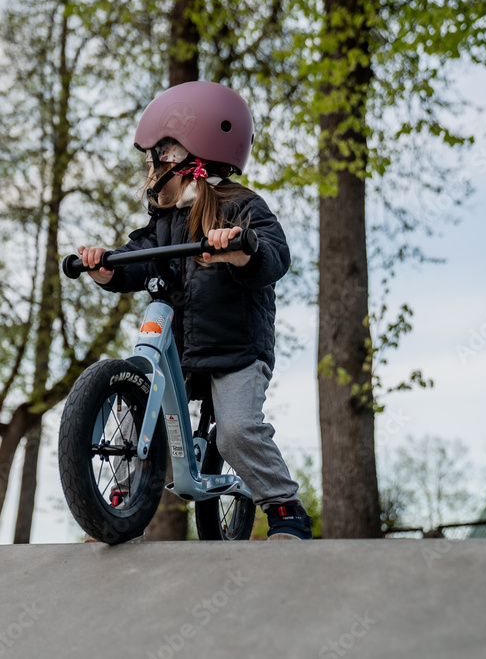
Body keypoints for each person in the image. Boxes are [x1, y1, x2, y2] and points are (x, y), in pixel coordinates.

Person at [77, 81, 312, 540]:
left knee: (237, 432)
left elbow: (275, 256)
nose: (151, 167)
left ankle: (285, 509)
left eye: (161, 153)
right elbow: (136, 259)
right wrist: (105, 268)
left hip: (235, 350)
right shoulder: (162, 223)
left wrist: (239, 250)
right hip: (179, 353)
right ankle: (119, 504)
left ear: (198, 156)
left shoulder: (243, 207)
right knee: (130, 403)